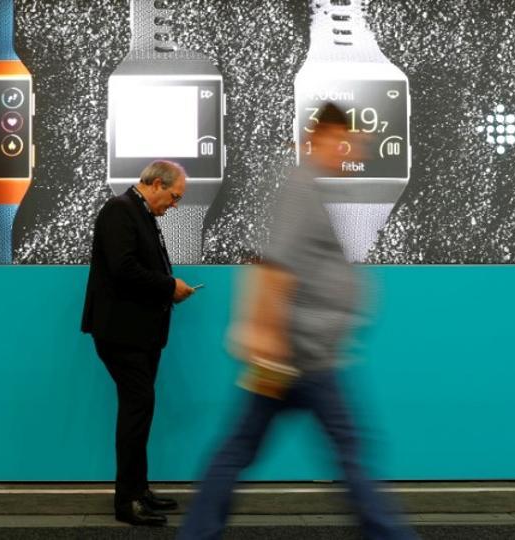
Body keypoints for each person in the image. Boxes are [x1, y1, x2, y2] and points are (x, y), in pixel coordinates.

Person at [177, 103, 418, 539]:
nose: (350, 153)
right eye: (345, 143)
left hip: (300, 354)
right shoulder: (299, 188)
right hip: (299, 356)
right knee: (348, 449)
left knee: (243, 448)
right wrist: (262, 335)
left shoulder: (310, 190)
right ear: (322, 137)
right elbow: (272, 265)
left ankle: (197, 532)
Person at [82, 160, 198, 526]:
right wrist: (169, 286)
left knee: (140, 411)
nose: (175, 205)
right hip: (122, 335)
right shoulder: (120, 211)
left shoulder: (140, 212)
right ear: (156, 184)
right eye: (175, 196)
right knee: (136, 412)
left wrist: (168, 288)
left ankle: (139, 491)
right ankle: (126, 502)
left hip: (140, 334)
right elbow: (124, 268)